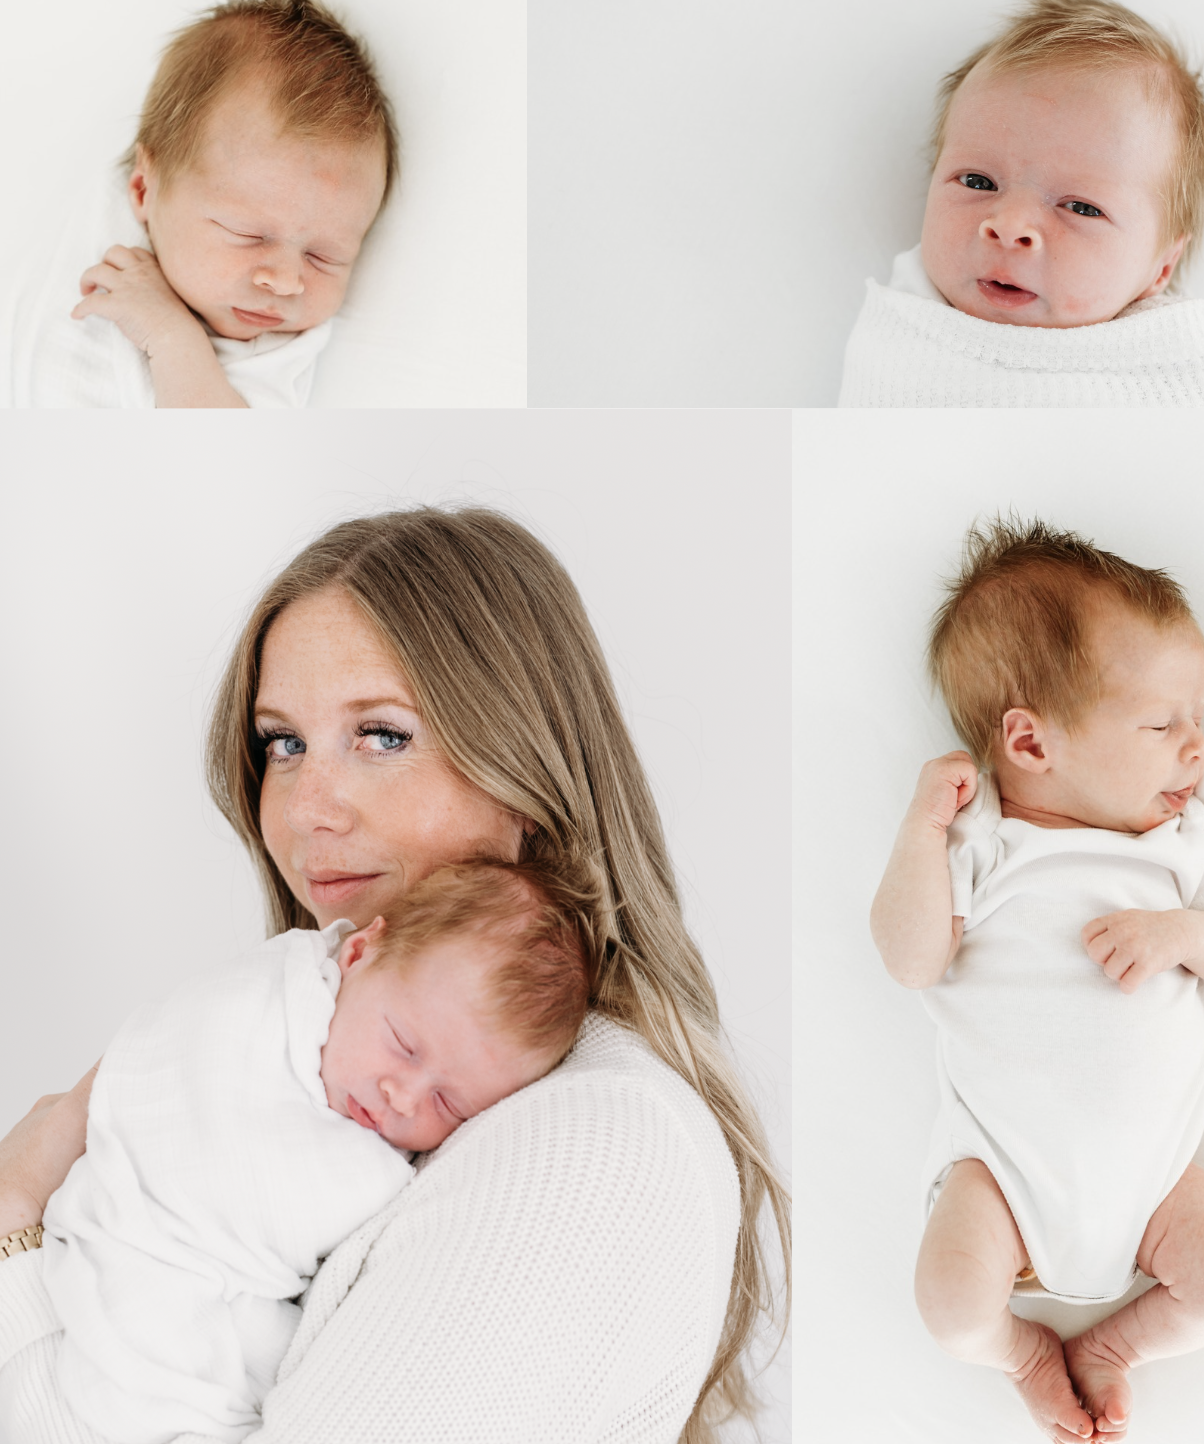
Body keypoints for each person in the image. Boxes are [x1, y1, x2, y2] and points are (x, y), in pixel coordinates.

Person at [0, 506, 788, 1443]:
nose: (306, 810)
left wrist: (15, 1214)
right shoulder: (319, 1069)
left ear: (524, 764)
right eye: (282, 744)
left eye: (381, 735)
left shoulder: (589, 1145)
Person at [870, 518, 1204, 1441]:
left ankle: (1108, 1349)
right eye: (1160, 723)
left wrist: (1182, 933)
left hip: (1153, 1180)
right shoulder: (982, 835)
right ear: (1030, 743)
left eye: (1199, 718)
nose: (1195, 748)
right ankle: (1022, 1357)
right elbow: (911, 961)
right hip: (1003, 1173)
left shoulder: (1186, 829)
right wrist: (920, 830)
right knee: (948, 1310)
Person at [32, 857, 591, 1444]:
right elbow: (214, 1134)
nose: (402, 1097)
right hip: (135, 1251)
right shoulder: (266, 997)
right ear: (355, 956)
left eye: (449, 1105)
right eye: (402, 1045)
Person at [838, 0, 1204, 407]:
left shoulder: (1172, 360)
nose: (1010, 225)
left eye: (1081, 208)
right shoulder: (901, 330)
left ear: (1161, 266)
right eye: (978, 181)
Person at [12, 0, 394, 408]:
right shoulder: (101, 211)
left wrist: (171, 335)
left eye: (324, 257)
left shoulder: (273, 350)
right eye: (247, 234)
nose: (285, 281)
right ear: (143, 190)